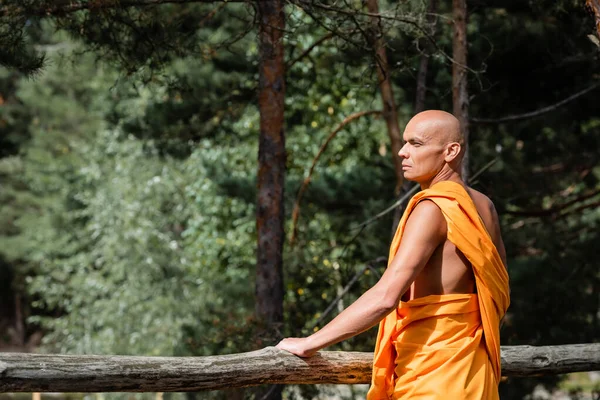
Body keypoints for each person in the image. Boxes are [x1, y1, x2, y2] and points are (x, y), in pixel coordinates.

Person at [276, 110, 510, 399]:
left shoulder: (433, 209)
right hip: (474, 374)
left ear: (451, 151)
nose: (402, 152)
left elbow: (386, 296)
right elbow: (498, 298)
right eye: (404, 143)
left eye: (416, 144)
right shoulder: (485, 206)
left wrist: (310, 342)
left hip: (433, 380)